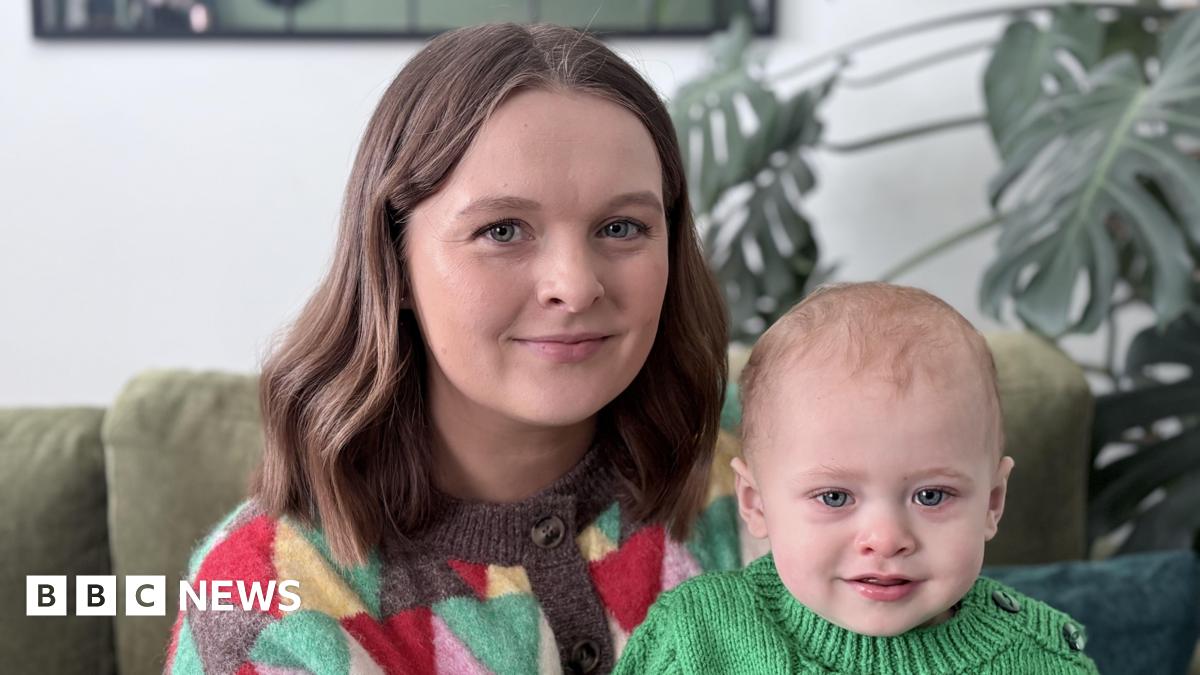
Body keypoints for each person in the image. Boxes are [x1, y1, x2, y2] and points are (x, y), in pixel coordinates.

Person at [164, 22, 743, 675]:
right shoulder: (266, 602)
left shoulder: (777, 478)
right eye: (503, 230)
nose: (576, 286)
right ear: (394, 261)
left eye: (621, 226)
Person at [614, 282, 1100, 674]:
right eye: (834, 496)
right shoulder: (696, 638)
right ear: (756, 503)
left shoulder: (1045, 661)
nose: (886, 540)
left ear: (992, 503)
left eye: (931, 495)